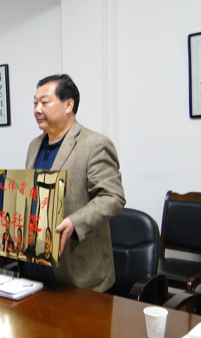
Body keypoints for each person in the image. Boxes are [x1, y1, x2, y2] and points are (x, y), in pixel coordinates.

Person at [24, 74, 126, 292]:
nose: (37, 110)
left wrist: (75, 221)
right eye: (34, 103)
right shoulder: (34, 145)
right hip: (36, 269)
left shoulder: (94, 144)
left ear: (68, 105)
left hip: (77, 272)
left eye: (44, 102)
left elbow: (113, 197)